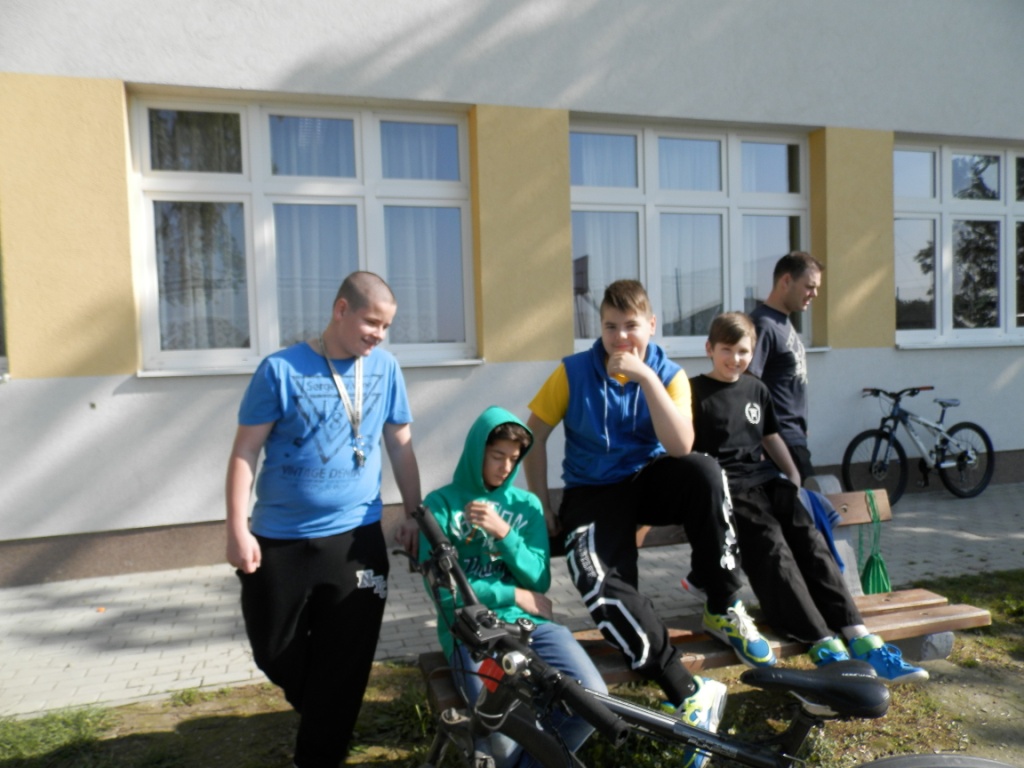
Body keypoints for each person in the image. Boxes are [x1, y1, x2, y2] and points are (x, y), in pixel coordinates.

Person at [523, 279, 776, 768]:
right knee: (599, 580)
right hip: (593, 491)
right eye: (610, 327)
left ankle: (722, 604)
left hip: (649, 479)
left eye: (631, 326)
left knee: (705, 472)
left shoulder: (668, 374)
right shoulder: (572, 371)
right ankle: (688, 691)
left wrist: (644, 378)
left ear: (651, 326)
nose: (620, 338)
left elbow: (681, 445)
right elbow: (534, 432)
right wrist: (540, 503)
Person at [225, 271, 422, 768]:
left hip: (356, 539)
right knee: (274, 651)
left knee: (347, 662)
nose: (379, 335)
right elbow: (245, 451)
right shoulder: (280, 370)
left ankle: (317, 755)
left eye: (386, 326)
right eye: (372, 322)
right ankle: (325, 714)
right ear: (341, 310)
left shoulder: (386, 370)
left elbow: (400, 445)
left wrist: (413, 514)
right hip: (280, 539)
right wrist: (236, 529)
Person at [689, 311, 928, 684]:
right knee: (773, 548)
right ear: (709, 348)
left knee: (809, 540)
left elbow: (771, 436)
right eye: (727, 350)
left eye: (743, 351)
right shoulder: (693, 392)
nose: (735, 359)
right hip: (729, 489)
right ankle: (821, 642)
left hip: (767, 480)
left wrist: (794, 476)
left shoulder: (756, 389)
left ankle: (858, 635)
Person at [419, 405, 607, 767]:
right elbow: (445, 594)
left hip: (530, 627)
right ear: (477, 452)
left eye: (514, 458)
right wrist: (512, 594)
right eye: (497, 456)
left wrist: (504, 533)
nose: (506, 466)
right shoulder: (439, 506)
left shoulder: (526, 504)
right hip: (473, 635)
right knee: (503, 740)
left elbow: (539, 579)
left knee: (592, 701)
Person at [748, 251, 823, 485]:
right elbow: (748, 387)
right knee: (813, 504)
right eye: (809, 286)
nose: (814, 294)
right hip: (778, 444)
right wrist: (759, 441)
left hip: (793, 437)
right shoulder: (763, 324)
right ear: (786, 281)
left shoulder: (783, 322)